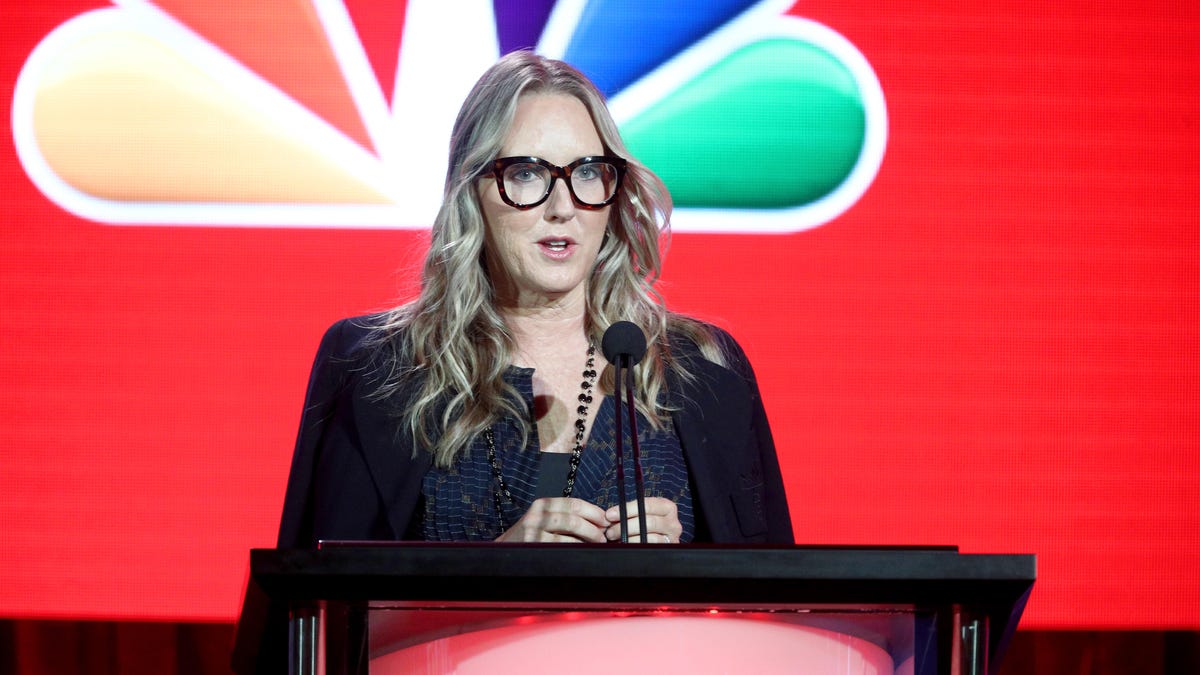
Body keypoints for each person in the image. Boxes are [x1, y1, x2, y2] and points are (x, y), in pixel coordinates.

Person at [276, 51, 792, 547]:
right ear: (471, 189)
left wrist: (684, 571)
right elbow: (328, 610)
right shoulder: (378, 369)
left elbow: (776, 608)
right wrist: (493, 569)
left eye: (588, 171)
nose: (564, 206)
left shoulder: (702, 368)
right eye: (527, 174)